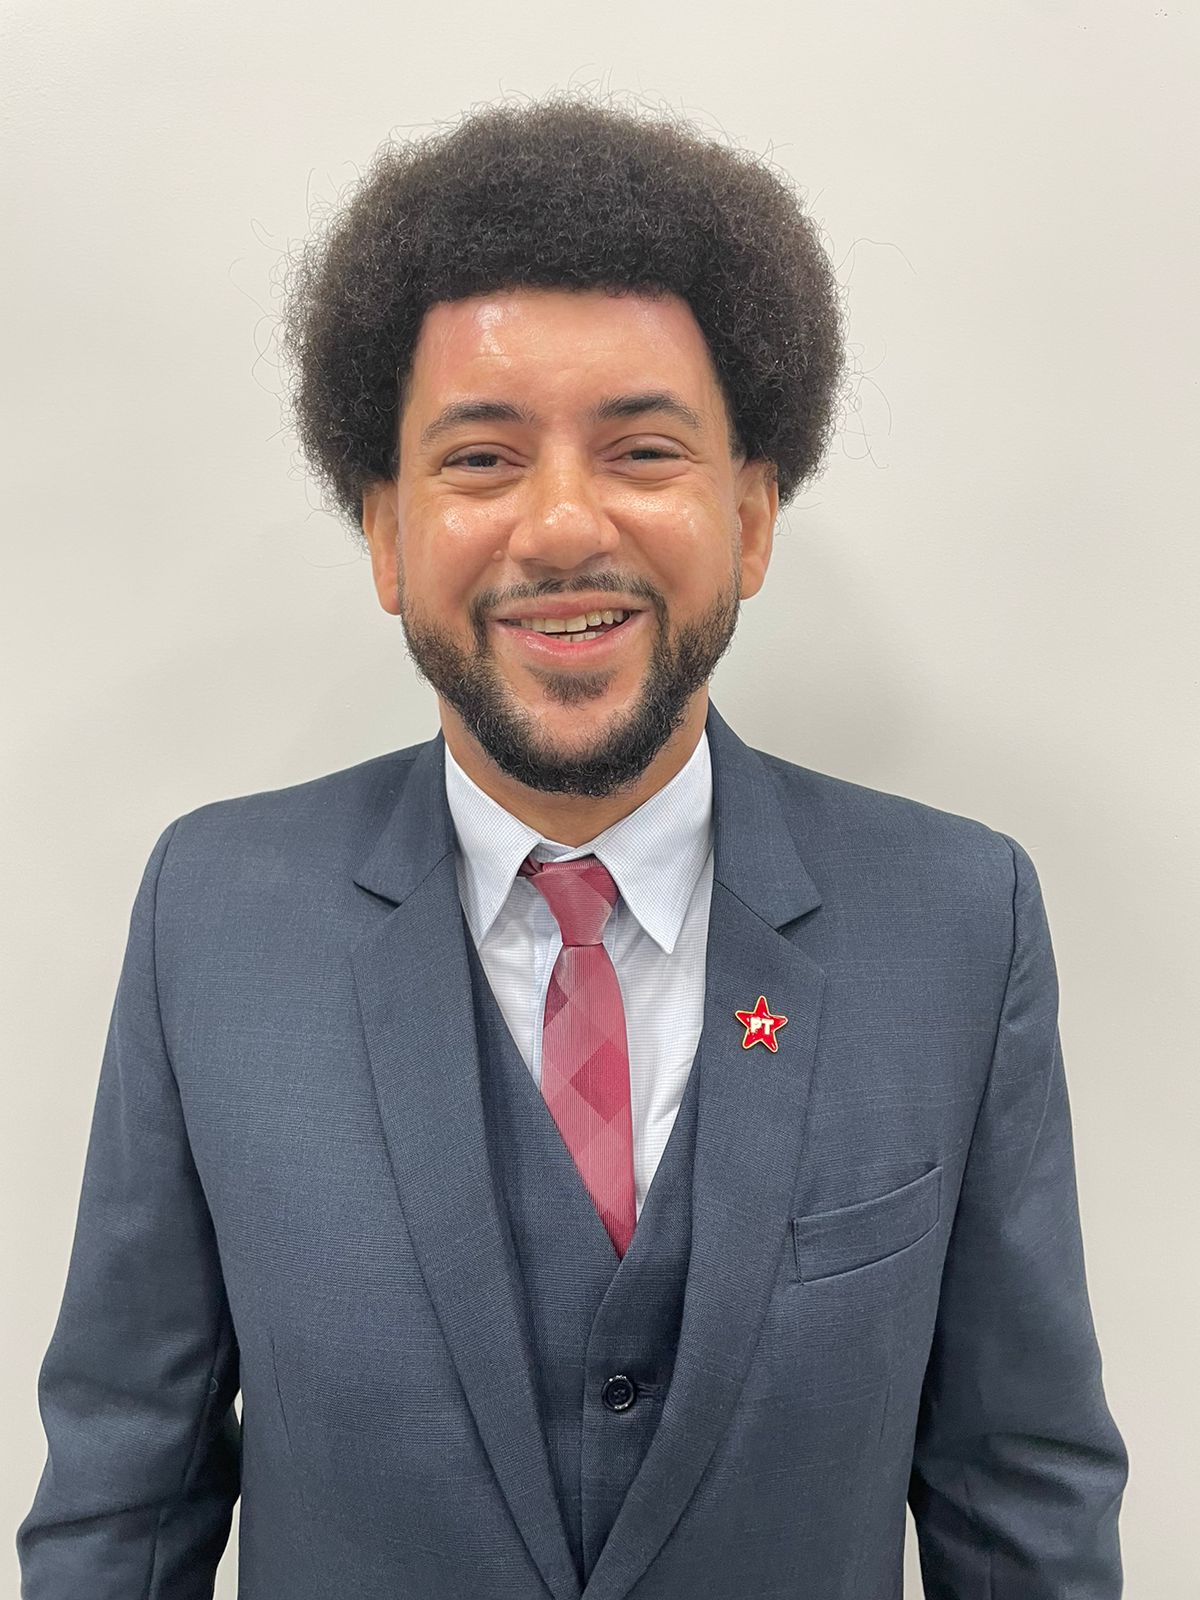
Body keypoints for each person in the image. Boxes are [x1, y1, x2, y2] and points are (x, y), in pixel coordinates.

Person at [17, 96, 1127, 1599]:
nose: (557, 527)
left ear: (751, 518)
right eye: (480, 459)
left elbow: (1024, 1499)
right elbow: (122, 1505)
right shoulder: (211, 918)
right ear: (385, 533)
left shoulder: (956, 922)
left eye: (643, 450)